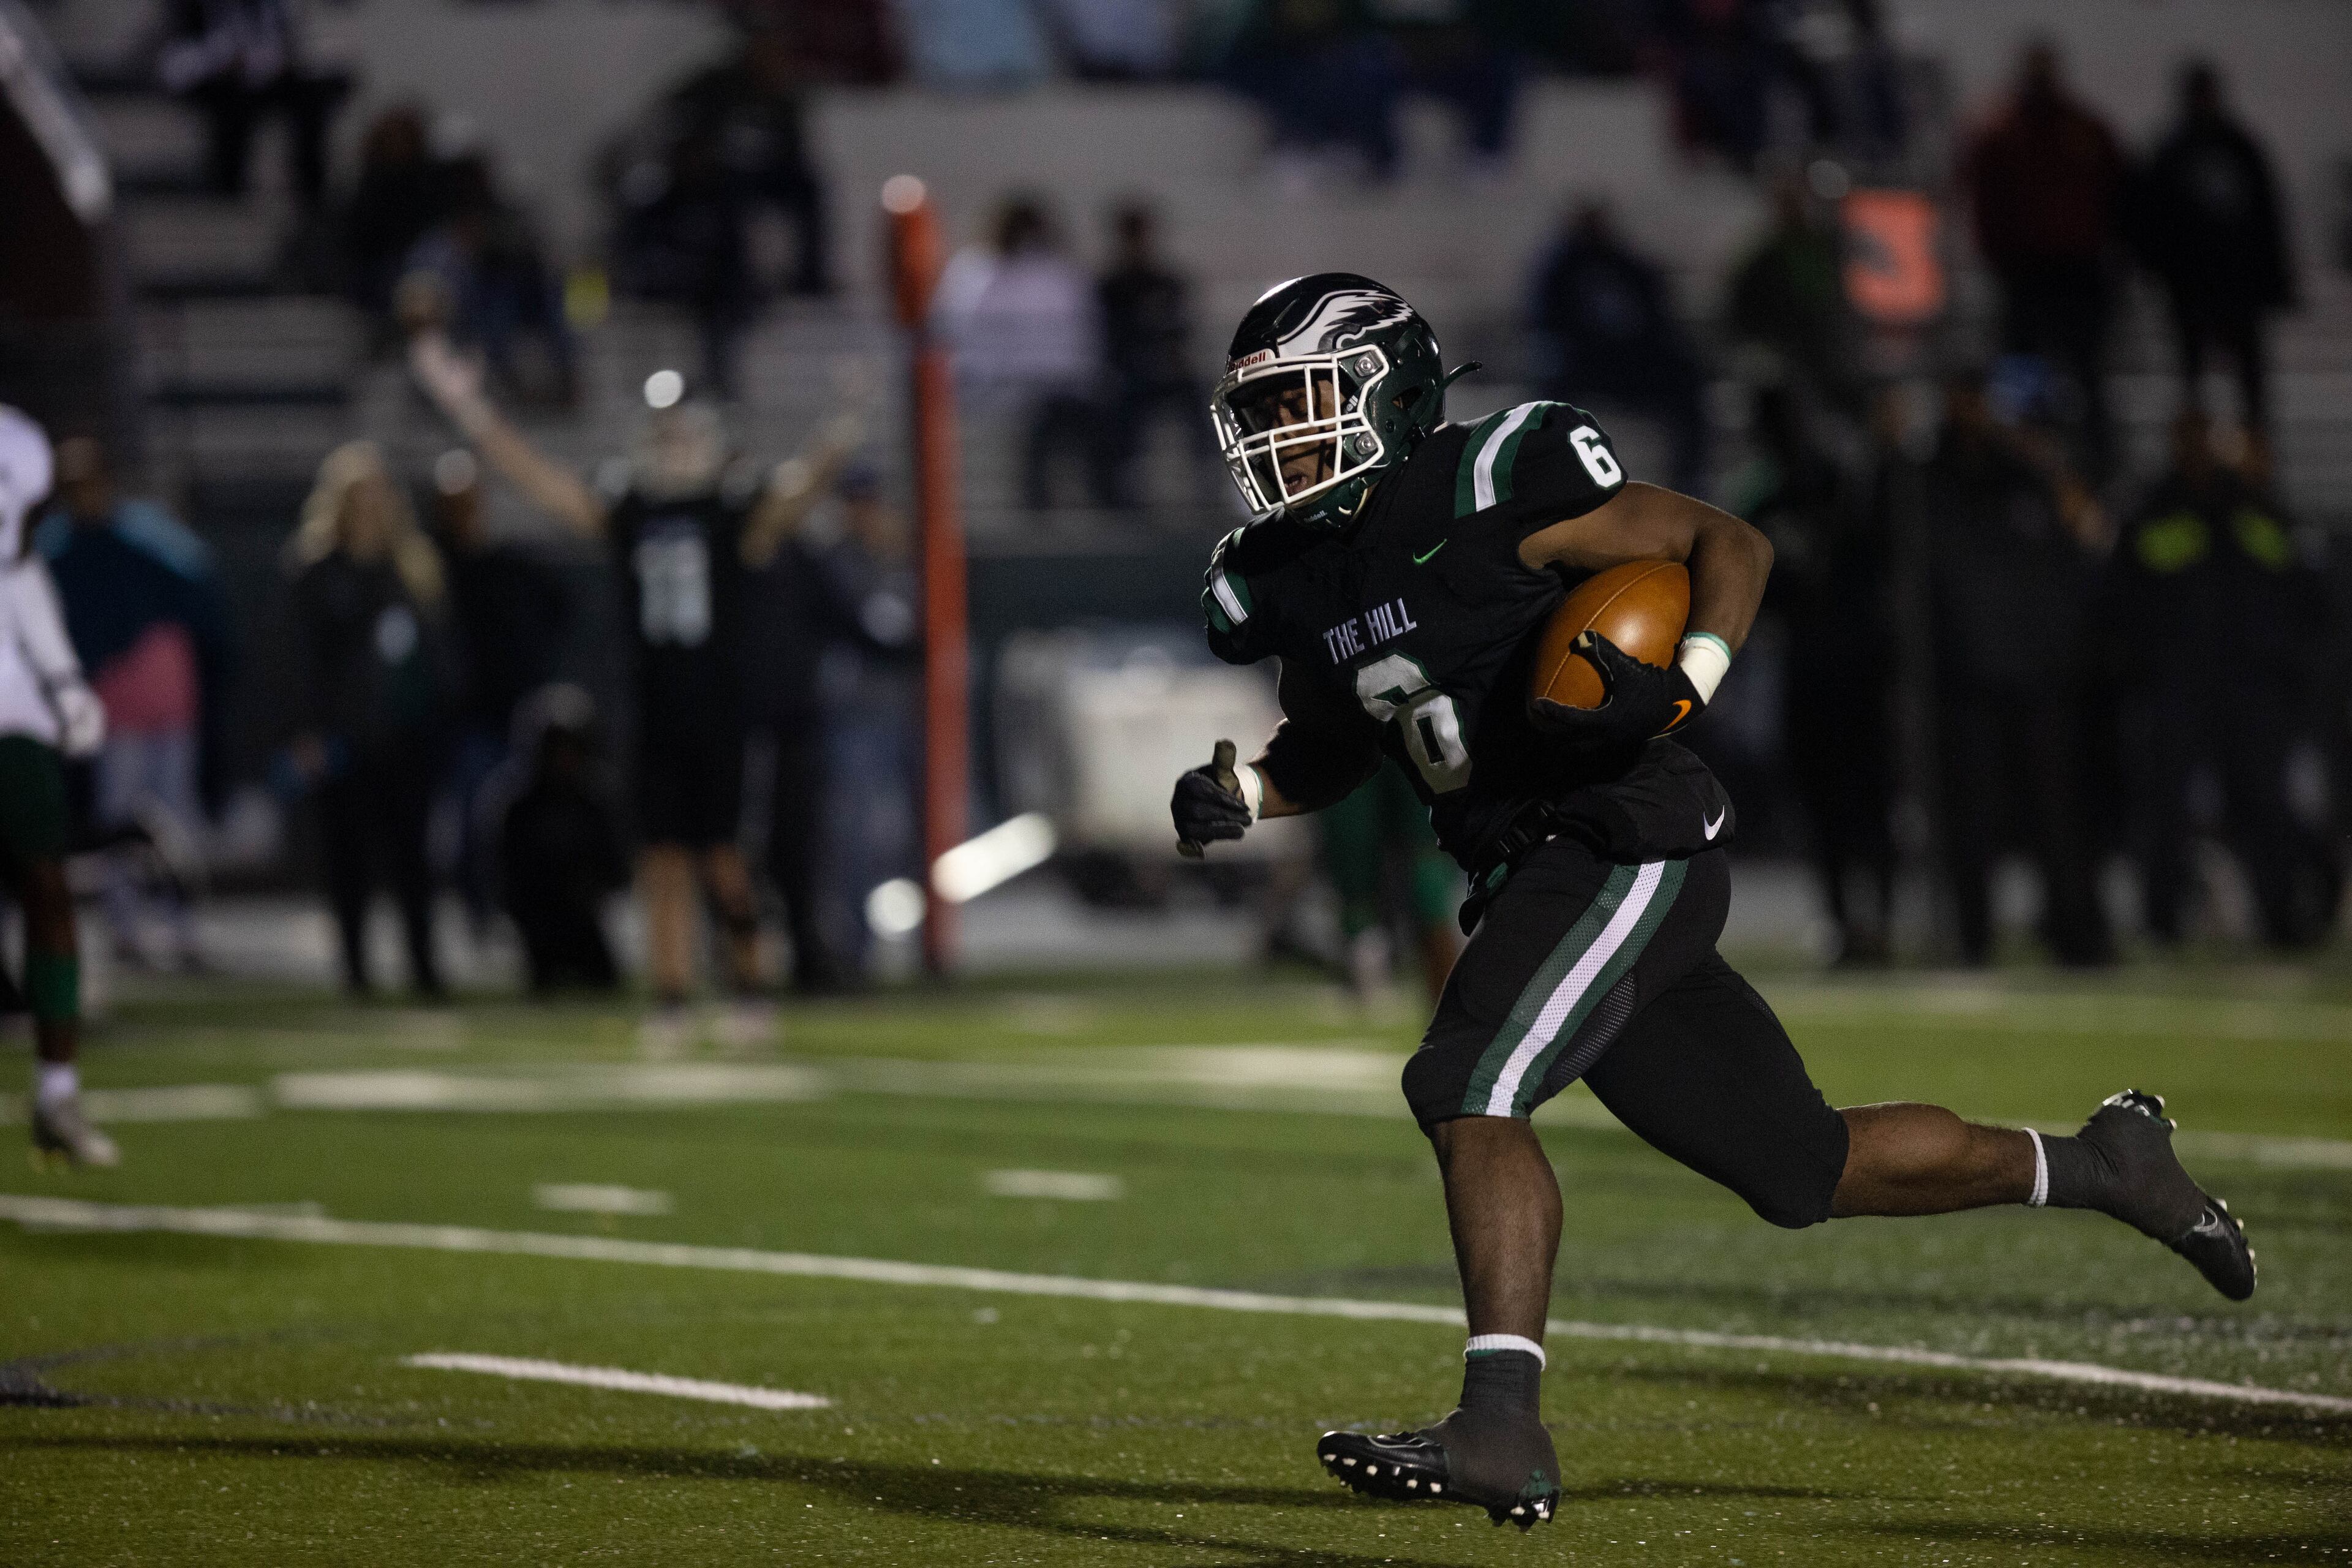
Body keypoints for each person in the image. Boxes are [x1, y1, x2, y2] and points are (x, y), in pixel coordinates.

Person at [1168, 274, 2252, 1527]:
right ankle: (2108, 1162)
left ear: (1392, 389)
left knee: (1467, 1080)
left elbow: (1726, 543)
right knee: (1803, 1166)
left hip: (1621, 835)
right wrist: (1248, 789)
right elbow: (1340, 737)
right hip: (1538, 866)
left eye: (1301, 400)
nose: (1275, 438)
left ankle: (1503, 1427)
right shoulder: (1288, 575)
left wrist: (1686, 684)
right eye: (1258, 413)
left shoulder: (1493, 479)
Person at [410, 335, 858, 1037]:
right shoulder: (631, 511)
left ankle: (748, 984)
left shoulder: (728, 511)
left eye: (682, 429)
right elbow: (543, 484)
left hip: (716, 706)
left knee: (723, 855)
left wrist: (841, 432)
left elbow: (794, 499)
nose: (674, 442)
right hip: (654, 705)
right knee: (662, 860)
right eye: (664, 430)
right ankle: (673, 995)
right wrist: (474, 415)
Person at [2100, 411, 2328, 948]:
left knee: (2262, 802)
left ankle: (2281, 916)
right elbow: (2125, 602)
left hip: (2248, 686)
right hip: (2176, 686)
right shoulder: (2155, 510)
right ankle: (2163, 921)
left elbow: (2297, 590)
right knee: (2166, 810)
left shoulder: (2252, 507)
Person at [1922, 369, 2111, 967]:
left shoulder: (2029, 477)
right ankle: (1974, 936)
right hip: (1969, 681)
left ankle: (2073, 929)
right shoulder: (1928, 476)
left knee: (2058, 813)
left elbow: (2088, 544)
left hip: (2038, 678)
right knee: (1972, 817)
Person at [34, 437, 232, 970]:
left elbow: (196, 583)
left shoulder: (147, 539)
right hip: (113, 710)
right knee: (116, 823)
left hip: (168, 705)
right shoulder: (56, 548)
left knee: (175, 822)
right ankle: (124, 929)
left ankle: (183, 927)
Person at [284, 442, 458, 998]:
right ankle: (356, 970)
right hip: (345, 740)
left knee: (414, 856)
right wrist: (308, 732)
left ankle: (423, 966)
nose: (373, 507)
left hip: (410, 736)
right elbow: (300, 662)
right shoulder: (316, 572)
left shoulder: (413, 567)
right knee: (348, 859)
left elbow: (439, 656)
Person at [1730, 387, 1893, 963]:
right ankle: (1847, 920)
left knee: (1865, 798)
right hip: (1807, 666)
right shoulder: (1767, 498)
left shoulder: (1840, 486)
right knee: (1823, 800)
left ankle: (1876, 919)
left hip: (1854, 666)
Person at [0, 407, 116, 1166]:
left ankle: (57, 1092)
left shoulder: (18, 440)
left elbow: (20, 568)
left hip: (14, 714)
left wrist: (66, 681)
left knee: (48, 886)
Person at [1961, 42, 2128, 480]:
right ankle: (2018, 463)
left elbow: (2117, 192)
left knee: (2087, 373)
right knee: (2023, 376)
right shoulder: (2004, 131)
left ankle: (2099, 464)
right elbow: (1983, 197)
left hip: (2077, 271)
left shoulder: (2082, 129)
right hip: (2026, 273)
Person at [427, 448, 572, 934]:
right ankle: (479, 915)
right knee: (470, 824)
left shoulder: (509, 562)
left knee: (528, 825)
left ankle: (527, 913)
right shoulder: (433, 569)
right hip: (468, 719)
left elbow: (561, 606)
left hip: (518, 714)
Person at [2128, 62, 2296, 444]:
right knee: (2194, 379)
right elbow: (2149, 222)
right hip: (2193, 287)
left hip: (2235, 286)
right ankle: (2197, 457)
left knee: (2247, 381)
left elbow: (2267, 221)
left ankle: (2254, 454)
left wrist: (2274, 282)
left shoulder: (2233, 147)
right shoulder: (2176, 152)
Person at [933, 195, 1102, 511]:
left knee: (1082, 413)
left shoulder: (1061, 274)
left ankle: (1100, 501)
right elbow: (960, 336)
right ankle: (1036, 501)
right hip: (992, 381)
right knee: (1040, 413)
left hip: (1055, 384)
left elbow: (1078, 340)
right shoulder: (974, 273)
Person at [1527, 203, 1709, 494]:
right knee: (1547, 395)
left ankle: (1690, 483)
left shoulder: (1628, 266)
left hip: (1632, 366)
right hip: (1582, 366)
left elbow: (1657, 318)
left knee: (1686, 381)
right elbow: (1546, 322)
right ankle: (1550, 485)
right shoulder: (1561, 271)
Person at [495, 684, 627, 993]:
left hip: (584, 916)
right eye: (556, 747)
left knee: (602, 979)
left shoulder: (599, 800)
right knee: (544, 980)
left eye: (571, 747)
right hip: (537, 919)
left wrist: (590, 891)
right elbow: (503, 870)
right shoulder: (518, 805)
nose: (564, 757)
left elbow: (618, 867)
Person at [157, 0, 347, 210]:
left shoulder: (275, 7)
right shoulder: (192, 9)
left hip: (264, 76)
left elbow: (286, 48)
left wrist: (271, 62)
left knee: (312, 98)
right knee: (233, 102)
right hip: (216, 79)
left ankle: (312, 194)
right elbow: (176, 63)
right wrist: (222, 60)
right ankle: (227, 187)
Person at [1095, 202, 1210, 509]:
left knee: (1202, 400)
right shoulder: (1109, 286)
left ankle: (1210, 480)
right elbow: (1106, 341)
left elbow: (1182, 333)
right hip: (1127, 379)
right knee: (1115, 411)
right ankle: (1119, 496)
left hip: (1168, 376)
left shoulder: (1168, 282)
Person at [1724, 172, 1854, 413]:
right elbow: (1742, 310)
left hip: (1829, 347)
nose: (1800, 208)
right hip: (1793, 354)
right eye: (1790, 202)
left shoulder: (1826, 246)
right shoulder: (1766, 257)